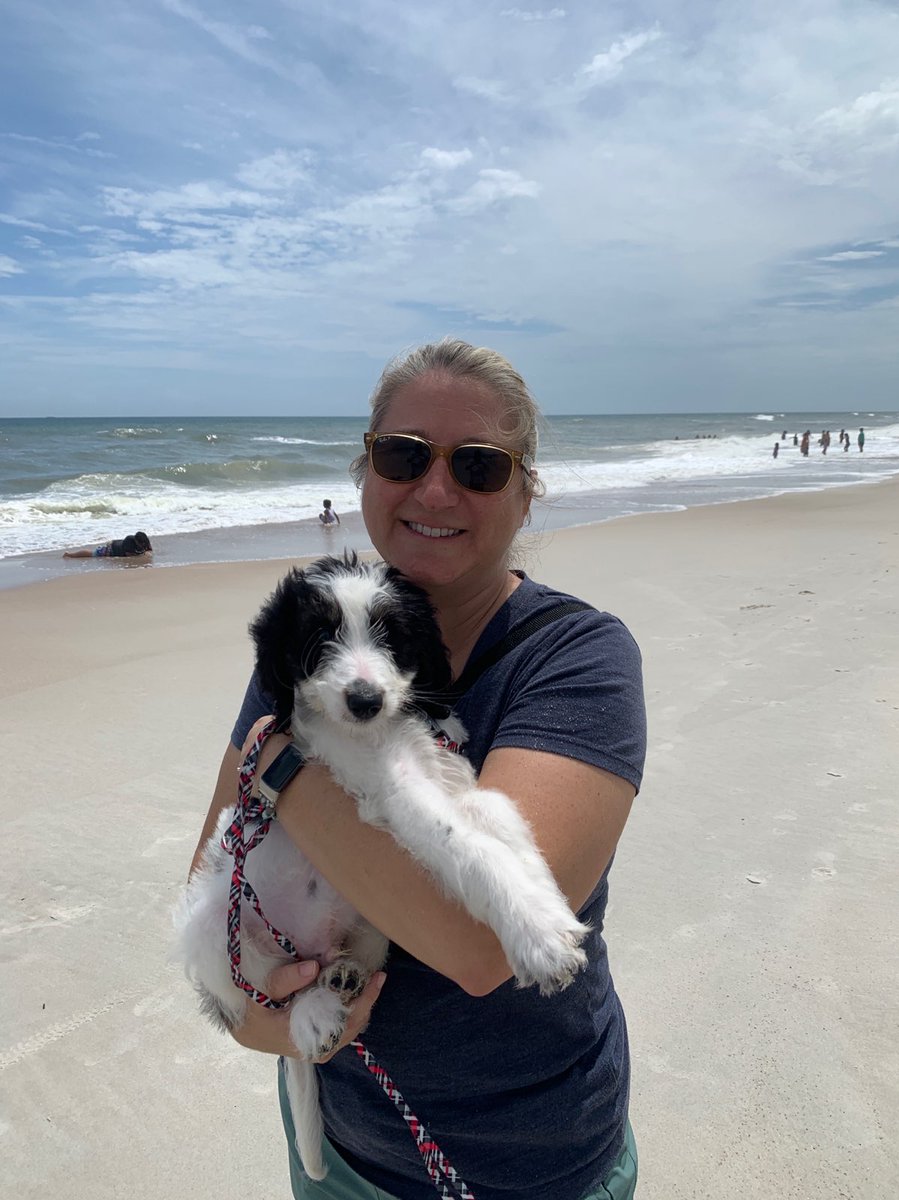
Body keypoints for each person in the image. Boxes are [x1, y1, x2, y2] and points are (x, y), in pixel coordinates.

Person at [189, 339, 646, 1200]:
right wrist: (268, 1021)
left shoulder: (579, 658)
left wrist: (279, 766)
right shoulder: (310, 634)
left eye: (478, 466)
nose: (436, 491)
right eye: (403, 455)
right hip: (345, 1141)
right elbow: (218, 877)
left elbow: (479, 947)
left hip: (532, 1163)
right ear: (365, 469)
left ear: (525, 490)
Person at [63, 530, 152, 559]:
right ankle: (70, 554)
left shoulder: (145, 541)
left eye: (143, 543)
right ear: (136, 541)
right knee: (93, 554)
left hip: (118, 542)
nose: (141, 545)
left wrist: (147, 553)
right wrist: (143, 555)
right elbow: (129, 555)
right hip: (112, 548)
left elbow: (149, 550)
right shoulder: (129, 540)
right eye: (139, 543)